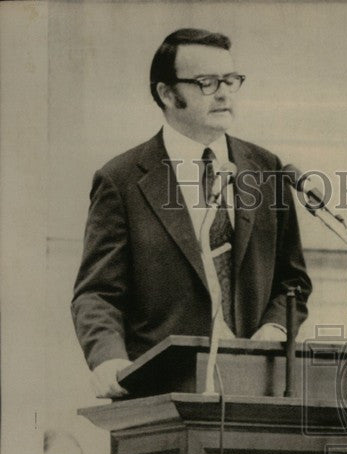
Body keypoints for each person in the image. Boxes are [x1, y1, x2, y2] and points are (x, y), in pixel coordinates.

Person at [72, 27, 312, 399]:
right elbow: (97, 293)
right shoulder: (120, 180)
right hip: (164, 392)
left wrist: (275, 328)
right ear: (167, 93)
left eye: (231, 81)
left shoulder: (267, 169)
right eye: (206, 82)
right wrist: (108, 359)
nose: (223, 93)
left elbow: (292, 281)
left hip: (257, 386)